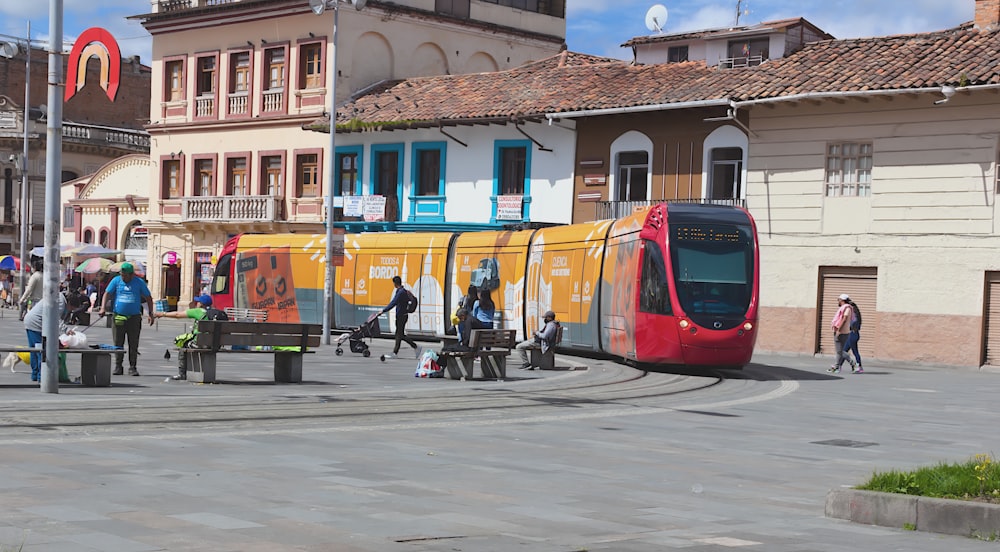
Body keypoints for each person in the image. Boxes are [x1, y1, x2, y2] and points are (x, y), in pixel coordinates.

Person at [99, 262, 155, 376]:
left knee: (133, 343)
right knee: (118, 342)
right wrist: (102, 307)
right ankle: (118, 366)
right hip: (118, 316)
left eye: (125, 275)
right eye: (122, 275)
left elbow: (148, 298)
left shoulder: (139, 282)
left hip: (134, 317)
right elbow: (107, 294)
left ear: (132, 275)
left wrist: (150, 313)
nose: (123, 277)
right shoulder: (116, 281)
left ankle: (132, 367)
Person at [155, 294, 227, 380]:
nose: (196, 303)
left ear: (201, 304)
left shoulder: (198, 311)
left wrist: (162, 314)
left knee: (183, 347)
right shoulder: (216, 314)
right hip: (215, 344)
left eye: (198, 302)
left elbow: (178, 314)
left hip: (200, 343)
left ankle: (182, 373)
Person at [23, 292, 67, 382]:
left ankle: (35, 374)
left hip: (30, 321)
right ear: (70, 304)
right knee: (41, 351)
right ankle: (41, 377)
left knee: (34, 350)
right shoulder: (61, 302)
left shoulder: (56, 295)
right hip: (37, 324)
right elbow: (55, 317)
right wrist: (66, 330)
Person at [380, 275, 419, 359]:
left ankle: (396, 352)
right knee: (400, 335)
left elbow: (394, 302)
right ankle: (414, 347)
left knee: (399, 334)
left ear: (394, 283)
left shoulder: (400, 292)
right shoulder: (402, 291)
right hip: (402, 315)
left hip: (402, 316)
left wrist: (383, 310)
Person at [827, 293, 858, 374]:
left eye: (838, 300)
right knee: (839, 351)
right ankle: (837, 367)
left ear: (842, 300)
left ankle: (853, 364)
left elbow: (844, 319)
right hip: (843, 331)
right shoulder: (846, 308)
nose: (838, 301)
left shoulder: (846, 308)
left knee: (840, 351)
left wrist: (839, 330)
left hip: (842, 332)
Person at [843, 297, 864, 373]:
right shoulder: (855, 315)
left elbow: (852, 324)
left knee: (854, 352)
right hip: (853, 334)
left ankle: (859, 367)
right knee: (844, 351)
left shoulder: (854, 317)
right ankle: (838, 366)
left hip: (853, 335)